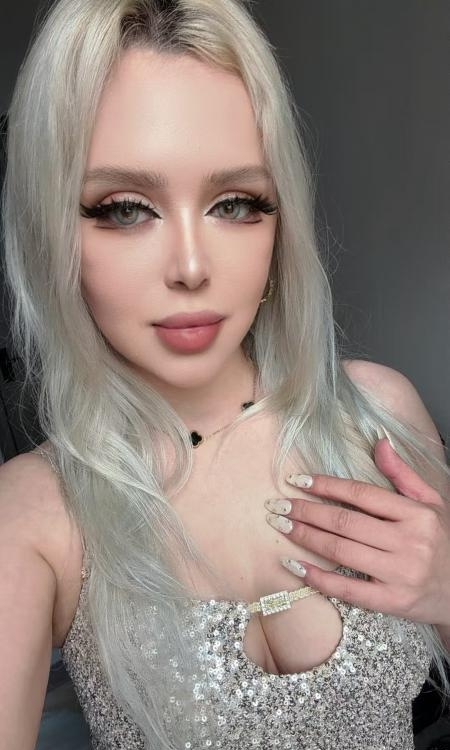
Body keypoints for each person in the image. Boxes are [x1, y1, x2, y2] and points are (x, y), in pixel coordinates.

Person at [0, 1, 449, 748]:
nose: (191, 267)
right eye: (125, 209)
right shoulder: (34, 512)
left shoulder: (376, 414)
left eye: (235, 203)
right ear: (54, 231)